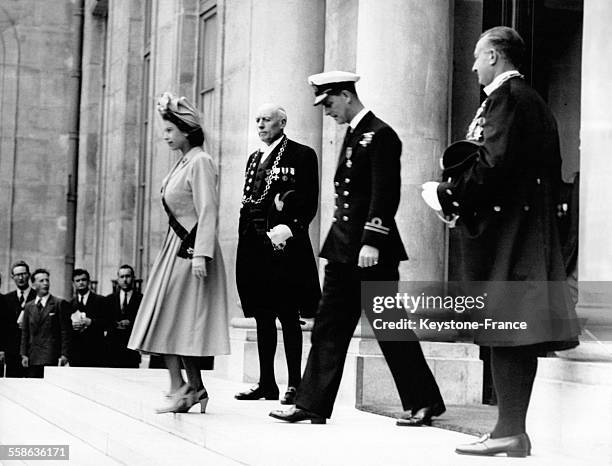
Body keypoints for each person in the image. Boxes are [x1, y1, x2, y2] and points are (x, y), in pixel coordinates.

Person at [421, 26, 580, 457]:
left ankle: (509, 431)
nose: (472, 65)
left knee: (507, 329)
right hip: (516, 232)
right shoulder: (522, 100)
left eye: (477, 56)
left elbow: (493, 166)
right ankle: (509, 431)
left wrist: (446, 194)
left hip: (512, 236)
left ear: (493, 55)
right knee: (508, 329)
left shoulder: (508, 99)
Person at [270, 71, 445, 425]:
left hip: (370, 252)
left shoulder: (381, 135)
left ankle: (424, 402)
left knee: (389, 328)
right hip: (342, 249)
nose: (327, 111)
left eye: (330, 102)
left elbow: (385, 193)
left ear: (347, 95)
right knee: (329, 327)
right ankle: (311, 404)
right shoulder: (353, 135)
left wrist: (373, 241)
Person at [128, 92, 230, 414]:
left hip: (190, 250)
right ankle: (192, 387)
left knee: (168, 317)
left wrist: (201, 254)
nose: (165, 136)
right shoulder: (185, 161)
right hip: (176, 247)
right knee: (177, 318)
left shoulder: (200, 161)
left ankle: (181, 386)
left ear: (186, 130)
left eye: (170, 130)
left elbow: (208, 209)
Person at [234, 103, 320, 405]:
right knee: (262, 316)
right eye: (257, 119)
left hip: (283, 247)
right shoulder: (254, 158)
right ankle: (266, 383)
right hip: (255, 247)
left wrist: (291, 230)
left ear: (282, 123)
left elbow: (309, 202)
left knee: (288, 315)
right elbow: (248, 203)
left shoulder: (302, 155)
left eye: (266, 120)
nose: (260, 124)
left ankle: (295, 383)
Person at [20, 269, 71, 378]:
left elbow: (65, 332)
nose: (45, 283)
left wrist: (64, 354)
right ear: (33, 285)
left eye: (47, 280)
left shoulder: (58, 303)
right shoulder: (29, 306)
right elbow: (25, 332)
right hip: (33, 356)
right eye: (41, 281)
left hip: (52, 356)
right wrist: (24, 354)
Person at [0, 261, 36, 377]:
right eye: (17, 275)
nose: (21, 278)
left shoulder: (38, 297)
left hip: (33, 353)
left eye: (24, 274)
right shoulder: (6, 299)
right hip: (12, 353)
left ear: (29, 275)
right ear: (12, 277)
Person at [105, 264, 142, 368]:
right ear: (117, 279)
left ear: (133, 278)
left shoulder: (141, 300)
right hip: (112, 350)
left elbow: (144, 321)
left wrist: (131, 323)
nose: (125, 280)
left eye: (128, 276)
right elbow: (104, 320)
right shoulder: (109, 299)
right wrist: (114, 324)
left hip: (131, 351)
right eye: (122, 277)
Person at [69, 268, 108, 367]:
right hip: (76, 353)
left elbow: (107, 323)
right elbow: (65, 328)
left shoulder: (101, 301)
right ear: (73, 283)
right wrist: (72, 326)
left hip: (95, 351)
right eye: (78, 281)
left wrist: (91, 322)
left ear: (89, 282)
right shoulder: (70, 304)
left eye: (84, 280)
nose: (81, 283)